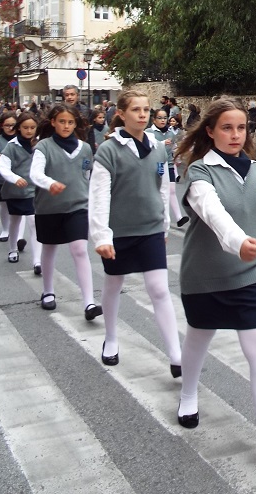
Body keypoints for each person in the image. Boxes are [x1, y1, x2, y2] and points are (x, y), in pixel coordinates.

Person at [175, 98, 256, 469]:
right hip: (206, 274)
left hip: (251, 274)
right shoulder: (198, 171)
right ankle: (188, 395)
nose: (235, 135)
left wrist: (254, 242)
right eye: (226, 128)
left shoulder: (254, 168)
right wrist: (239, 243)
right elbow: (213, 212)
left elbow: (254, 216)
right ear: (210, 131)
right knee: (199, 338)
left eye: (241, 128)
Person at [89, 90, 183, 377]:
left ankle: (176, 355)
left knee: (159, 289)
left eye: (146, 110)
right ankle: (111, 338)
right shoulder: (109, 150)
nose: (142, 115)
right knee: (113, 285)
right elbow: (99, 196)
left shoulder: (158, 147)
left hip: (150, 228)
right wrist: (101, 236)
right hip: (118, 232)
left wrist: (165, 223)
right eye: (135, 110)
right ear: (121, 114)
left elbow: (163, 188)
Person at [30, 104, 102, 319]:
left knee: (79, 249)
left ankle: (89, 303)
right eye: (62, 121)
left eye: (70, 122)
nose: (66, 126)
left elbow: (87, 176)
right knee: (49, 248)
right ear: (53, 122)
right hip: (49, 208)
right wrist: (50, 183)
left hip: (78, 206)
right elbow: (35, 173)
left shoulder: (85, 148)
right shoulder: (43, 146)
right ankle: (48, 291)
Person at [0, 113, 42, 273]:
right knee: (15, 220)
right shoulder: (11, 146)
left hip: (34, 190)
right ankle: (13, 249)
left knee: (33, 221)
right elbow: (2, 166)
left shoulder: (41, 145)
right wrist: (15, 178)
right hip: (15, 191)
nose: (29, 131)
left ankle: (37, 260)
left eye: (32, 127)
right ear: (19, 128)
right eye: (25, 127)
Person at [0, 112, 18, 243]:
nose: (10, 128)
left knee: (19, 209)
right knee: (4, 206)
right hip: (1, 179)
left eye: (13, 125)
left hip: (20, 179)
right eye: (7, 125)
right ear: (1, 126)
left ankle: (18, 236)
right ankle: (5, 230)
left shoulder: (21, 139)